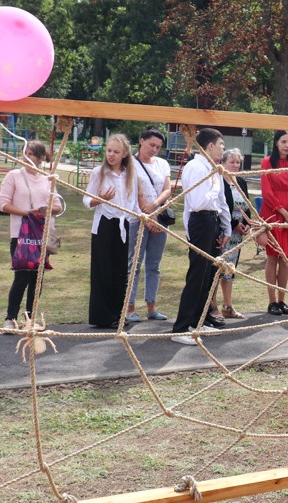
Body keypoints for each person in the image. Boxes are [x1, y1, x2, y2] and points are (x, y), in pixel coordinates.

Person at [83, 134, 152, 329]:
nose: (111, 155)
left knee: (121, 272)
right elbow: (87, 201)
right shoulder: (99, 172)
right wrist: (100, 199)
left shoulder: (131, 174)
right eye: (109, 151)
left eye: (116, 151)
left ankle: (119, 314)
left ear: (124, 154)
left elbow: (132, 205)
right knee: (103, 271)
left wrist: (143, 216)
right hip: (104, 225)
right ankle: (103, 316)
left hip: (123, 226)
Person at [0, 141, 64, 329]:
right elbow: (2, 204)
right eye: (25, 153)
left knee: (37, 277)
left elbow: (58, 205)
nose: (27, 157)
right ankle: (10, 318)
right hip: (20, 234)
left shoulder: (48, 178)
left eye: (32, 154)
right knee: (21, 277)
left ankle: (30, 319)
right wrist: (27, 213)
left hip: (42, 234)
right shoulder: (14, 176)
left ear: (42, 158)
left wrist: (46, 210)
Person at [171, 129, 230, 343]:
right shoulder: (196, 167)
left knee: (209, 274)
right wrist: (215, 186)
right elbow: (197, 203)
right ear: (210, 146)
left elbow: (220, 202)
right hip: (201, 220)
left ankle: (198, 321)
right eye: (221, 144)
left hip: (212, 220)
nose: (223, 148)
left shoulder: (213, 168)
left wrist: (226, 229)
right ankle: (180, 328)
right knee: (197, 274)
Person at [126, 128, 174, 323]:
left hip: (159, 218)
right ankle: (129, 308)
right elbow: (132, 191)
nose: (154, 149)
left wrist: (154, 208)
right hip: (137, 218)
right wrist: (147, 215)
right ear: (141, 141)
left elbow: (167, 189)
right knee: (134, 264)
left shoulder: (162, 164)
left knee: (154, 265)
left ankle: (151, 307)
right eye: (151, 145)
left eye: (158, 147)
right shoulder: (130, 162)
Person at [260, 131, 288, 315]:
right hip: (272, 213)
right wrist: (282, 211)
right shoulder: (266, 162)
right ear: (276, 143)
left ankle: (282, 300)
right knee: (272, 257)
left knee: (285, 259)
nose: (287, 145)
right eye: (283, 141)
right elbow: (266, 191)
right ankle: (272, 302)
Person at [216, 148, 252, 319]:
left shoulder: (241, 182)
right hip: (223, 231)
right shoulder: (218, 181)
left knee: (230, 270)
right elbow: (220, 209)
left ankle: (228, 306)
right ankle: (212, 306)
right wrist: (235, 224)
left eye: (238, 162)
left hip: (237, 235)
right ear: (222, 163)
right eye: (232, 162)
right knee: (217, 269)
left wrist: (246, 225)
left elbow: (247, 207)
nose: (236, 165)